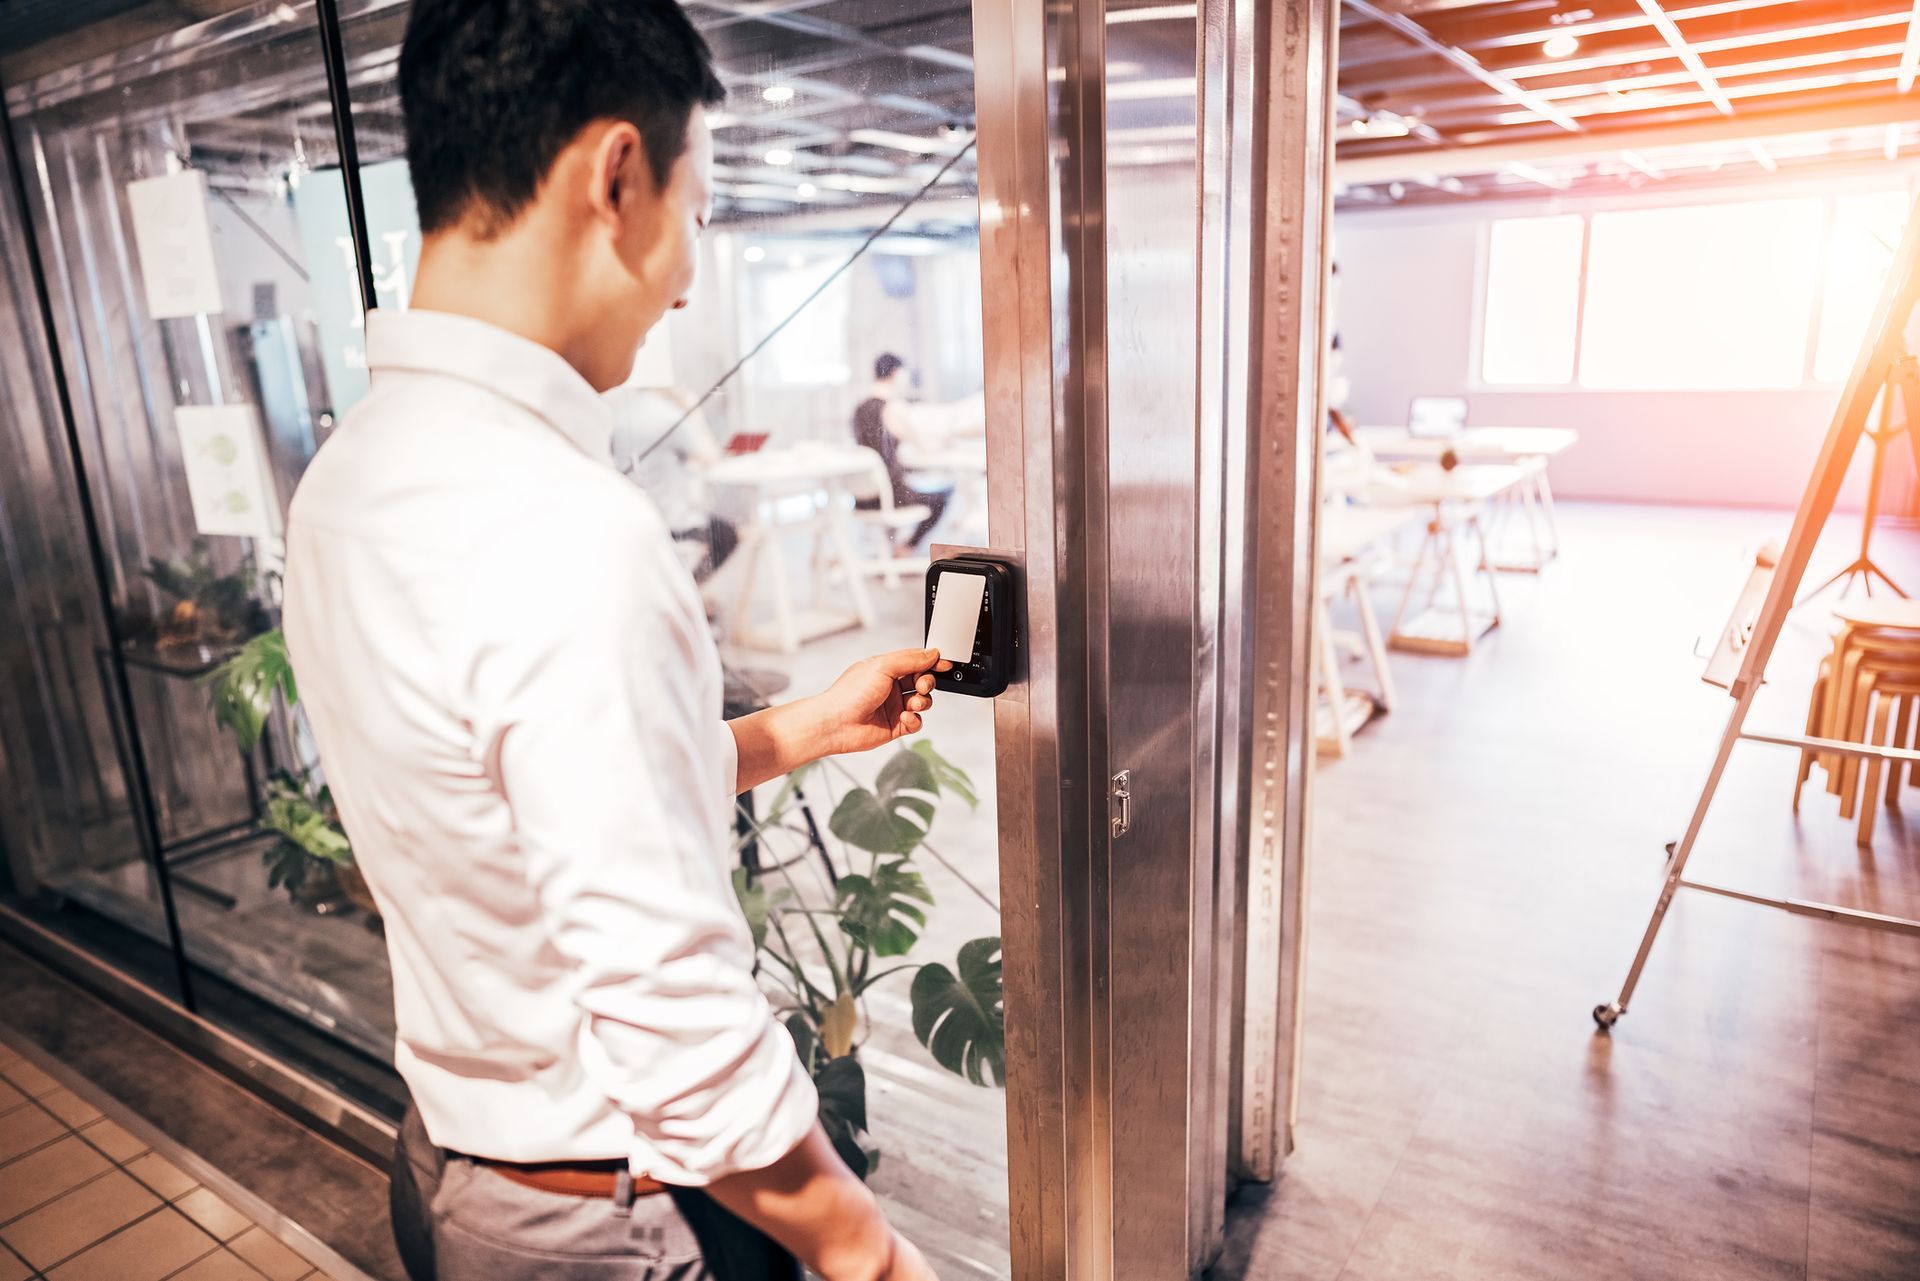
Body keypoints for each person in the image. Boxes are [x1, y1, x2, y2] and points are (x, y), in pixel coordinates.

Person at [279, 3, 944, 1278]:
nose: (690, 276)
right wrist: (872, 1257)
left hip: (451, 1165)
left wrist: (806, 725)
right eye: (697, 211)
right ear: (619, 176)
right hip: (605, 1218)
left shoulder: (347, 476)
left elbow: (518, 810)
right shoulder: (567, 527)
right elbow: (672, 1014)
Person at [608, 383, 736, 583]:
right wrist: (693, 409)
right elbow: (710, 459)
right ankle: (694, 593)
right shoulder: (668, 415)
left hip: (638, 516)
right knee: (729, 535)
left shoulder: (623, 414)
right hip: (675, 523)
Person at [850, 353, 951, 552]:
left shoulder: (859, 409)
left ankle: (897, 547)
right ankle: (907, 548)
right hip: (891, 496)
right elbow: (925, 445)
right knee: (944, 494)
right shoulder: (892, 408)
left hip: (864, 497)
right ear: (896, 373)